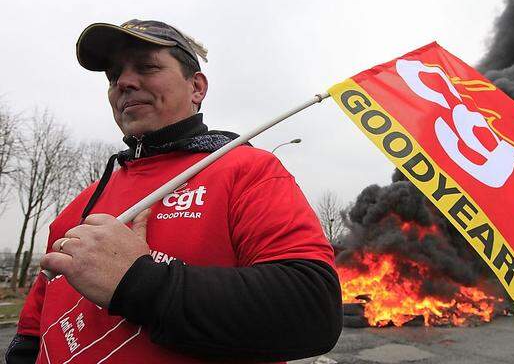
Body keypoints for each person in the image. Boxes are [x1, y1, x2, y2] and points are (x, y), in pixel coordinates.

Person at [6, 19, 342, 363]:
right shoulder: (81, 202)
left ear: (196, 87)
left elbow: (313, 309)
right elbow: (37, 320)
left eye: (147, 67)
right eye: (113, 75)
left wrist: (138, 282)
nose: (124, 82)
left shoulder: (248, 170)